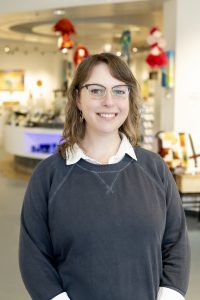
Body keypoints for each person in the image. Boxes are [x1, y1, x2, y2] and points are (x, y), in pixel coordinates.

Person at [19, 53, 190, 300]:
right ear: (78, 98)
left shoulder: (155, 169)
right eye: (96, 90)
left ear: (130, 99)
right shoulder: (49, 176)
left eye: (120, 91)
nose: (109, 101)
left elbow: (176, 244)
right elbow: (34, 257)